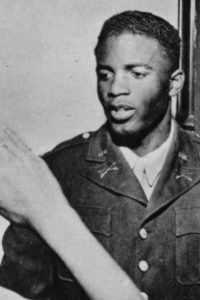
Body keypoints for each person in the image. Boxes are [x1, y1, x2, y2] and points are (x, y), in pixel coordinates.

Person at [0, 9, 199, 300]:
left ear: (174, 83)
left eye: (137, 73)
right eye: (105, 75)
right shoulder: (56, 172)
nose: (116, 88)